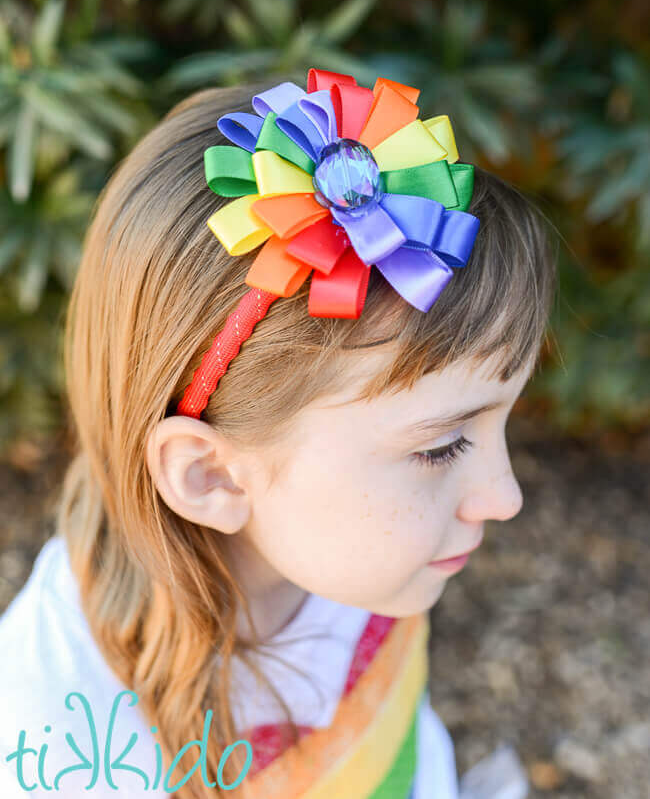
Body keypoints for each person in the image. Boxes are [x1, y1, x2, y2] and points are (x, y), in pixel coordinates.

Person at [0, 69, 556, 798]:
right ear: (212, 476)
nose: (504, 497)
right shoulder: (59, 742)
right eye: (440, 446)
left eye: (500, 420)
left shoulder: (356, 558)